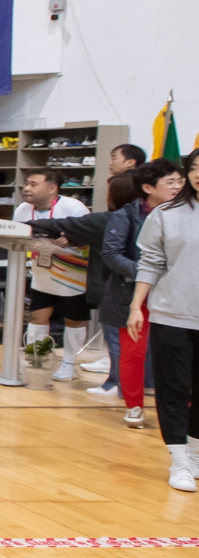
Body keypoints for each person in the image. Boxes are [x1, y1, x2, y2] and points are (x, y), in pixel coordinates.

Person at [130, 150, 199, 491]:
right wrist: (136, 305)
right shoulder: (167, 214)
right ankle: (179, 460)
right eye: (195, 168)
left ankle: (195, 452)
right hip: (172, 314)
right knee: (173, 388)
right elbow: (151, 261)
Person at [102, 160, 180, 426]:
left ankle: (186, 408)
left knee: (179, 352)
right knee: (134, 352)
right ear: (148, 187)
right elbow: (111, 254)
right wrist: (147, 272)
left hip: (176, 293)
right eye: (170, 182)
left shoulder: (186, 212)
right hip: (134, 292)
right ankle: (134, 405)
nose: (177, 187)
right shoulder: (125, 216)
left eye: (179, 181)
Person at [13, 169, 91, 382]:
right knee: (38, 316)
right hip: (41, 272)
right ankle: (36, 358)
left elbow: (89, 235)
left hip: (72, 274)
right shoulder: (22, 209)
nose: (26, 189)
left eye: (33, 184)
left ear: (52, 188)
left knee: (73, 319)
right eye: (26, 184)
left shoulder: (73, 207)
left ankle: (69, 362)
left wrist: (71, 240)